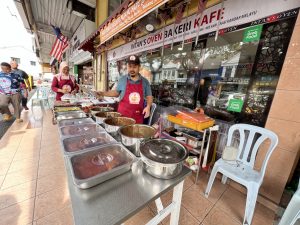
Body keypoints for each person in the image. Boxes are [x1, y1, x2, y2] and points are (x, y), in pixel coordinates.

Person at [96, 55, 153, 124]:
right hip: (123, 117)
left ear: (139, 67)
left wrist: (148, 106)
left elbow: (149, 96)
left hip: (137, 118)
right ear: (127, 67)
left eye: (134, 67)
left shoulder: (145, 82)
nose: (132, 69)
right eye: (129, 66)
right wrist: (102, 93)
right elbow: (116, 93)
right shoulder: (122, 79)